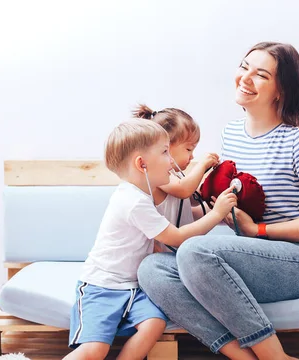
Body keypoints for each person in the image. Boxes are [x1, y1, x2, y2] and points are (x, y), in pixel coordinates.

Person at [137, 42, 299, 360]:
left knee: (194, 251)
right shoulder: (232, 134)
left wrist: (258, 230)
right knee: (152, 268)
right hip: (251, 256)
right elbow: (229, 203)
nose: (245, 78)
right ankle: (241, 355)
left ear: (281, 90)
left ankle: (275, 356)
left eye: (260, 74)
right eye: (244, 67)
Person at [64, 119, 237, 360]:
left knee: (154, 323)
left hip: (136, 287)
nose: (171, 161)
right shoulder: (133, 201)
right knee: (95, 350)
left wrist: (218, 215)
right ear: (141, 164)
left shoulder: (145, 195)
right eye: (165, 152)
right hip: (103, 285)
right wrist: (217, 213)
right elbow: (175, 237)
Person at [133, 105, 219, 251]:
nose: (192, 156)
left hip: (180, 249)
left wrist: (214, 198)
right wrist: (202, 165)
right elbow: (183, 190)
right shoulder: (157, 177)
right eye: (189, 149)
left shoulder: (176, 176)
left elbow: (189, 200)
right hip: (165, 252)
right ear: (166, 147)